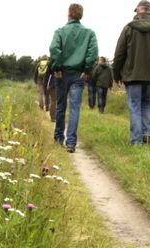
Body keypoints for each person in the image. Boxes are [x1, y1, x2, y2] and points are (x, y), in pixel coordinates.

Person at [112, 0, 150, 145]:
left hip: (132, 75)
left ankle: (136, 141)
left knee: (135, 106)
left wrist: (116, 75)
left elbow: (119, 54)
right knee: (146, 104)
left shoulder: (128, 28)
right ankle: (146, 135)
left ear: (138, 10)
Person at [49, 3, 98, 153]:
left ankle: (58, 139)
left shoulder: (60, 31)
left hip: (62, 73)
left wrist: (56, 68)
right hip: (79, 75)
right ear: (81, 15)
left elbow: (54, 49)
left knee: (61, 106)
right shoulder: (89, 33)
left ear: (68, 14)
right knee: (75, 108)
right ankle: (71, 143)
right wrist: (87, 70)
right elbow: (93, 52)